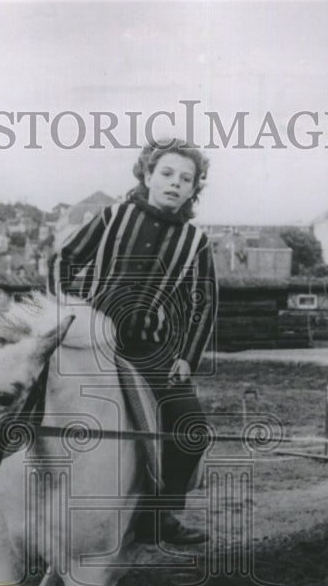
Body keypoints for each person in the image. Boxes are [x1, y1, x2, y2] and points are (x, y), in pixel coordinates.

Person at [49, 140, 217, 545]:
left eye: (186, 179)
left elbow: (204, 302)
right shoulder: (113, 217)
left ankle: (157, 517)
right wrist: (68, 311)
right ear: (147, 176)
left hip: (148, 351)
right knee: (21, 396)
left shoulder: (196, 242)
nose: (175, 184)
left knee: (192, 427)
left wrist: (187, 359)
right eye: (166, 174)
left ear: (194, 189)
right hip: (89, 338)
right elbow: (64, 259)